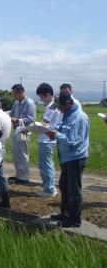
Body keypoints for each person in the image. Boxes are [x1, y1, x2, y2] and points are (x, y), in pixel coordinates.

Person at [47, 92, 90, 228]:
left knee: (74, 189)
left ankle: (74, 220)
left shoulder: (79, 118)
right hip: (67, 158)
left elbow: (75, 142)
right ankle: (65, 214)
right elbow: (65, 132)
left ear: (68, 103)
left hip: (75, 158)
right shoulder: (67, 115)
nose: (58, 110)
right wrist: (55, 132)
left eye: (60, 107)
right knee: (64, 186)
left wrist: (57, 135)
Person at [34, 83, 63, 197]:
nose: (41, 99)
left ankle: (49, 189)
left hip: (46, 139)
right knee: (48, 164)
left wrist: (31, 127)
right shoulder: (56, 104)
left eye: (41, 97)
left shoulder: (52, 106)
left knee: (45, 165)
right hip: (50, 138)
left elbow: (44, 123)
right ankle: (51, 188)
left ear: (47, 95)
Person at [9, 84, 36, 183]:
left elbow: (31, 119)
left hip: (24, 131)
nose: (13, 96)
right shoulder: (16, 103)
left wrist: (17, 120)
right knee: (17, 154)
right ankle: (18, 175)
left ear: (21, 92)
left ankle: (24, 177)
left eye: (14, 94)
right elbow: (11, 113)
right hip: (16, 129)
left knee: (23, 153)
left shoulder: (30, 103)